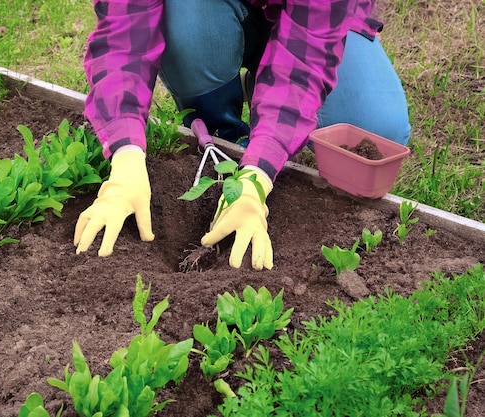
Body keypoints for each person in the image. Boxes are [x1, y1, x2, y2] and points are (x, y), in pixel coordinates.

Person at [73, 0, 411, 270]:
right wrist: (125, 152)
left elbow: (305, 60)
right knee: (187, 27)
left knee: (374, 129)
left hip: (316, 22)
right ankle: (225, 133)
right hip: (213, 9)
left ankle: (267, 104)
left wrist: (258, 175)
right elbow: (124, 32)